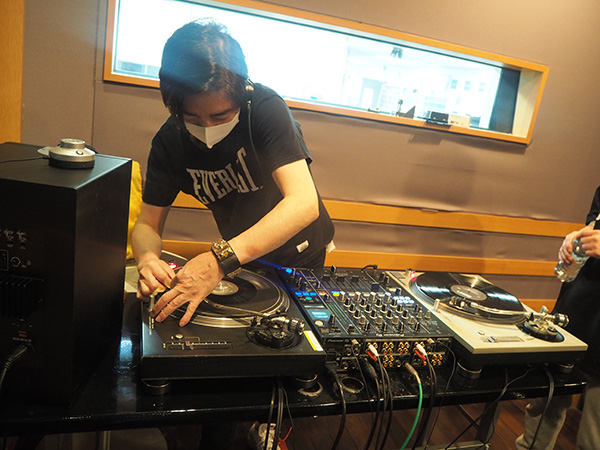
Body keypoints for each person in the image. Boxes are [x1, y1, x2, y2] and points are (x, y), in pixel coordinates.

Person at [131, 20, 334, 449]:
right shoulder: (169, 141)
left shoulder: (266, 108)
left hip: (299, 249)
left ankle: (272, 421)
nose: (206, 126)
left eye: (220, 116)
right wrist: (148, 258)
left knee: (289, 349)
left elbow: (302, 203)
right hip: (242, 253)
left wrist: (220, 258)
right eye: (192, 117)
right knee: (246, 345)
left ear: (240, 93)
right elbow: (148, 224)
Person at [515, 186, 600, 450]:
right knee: (545, 403)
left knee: (593, 437)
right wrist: (576, 237)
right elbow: (594, 226)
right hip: (579, 305)